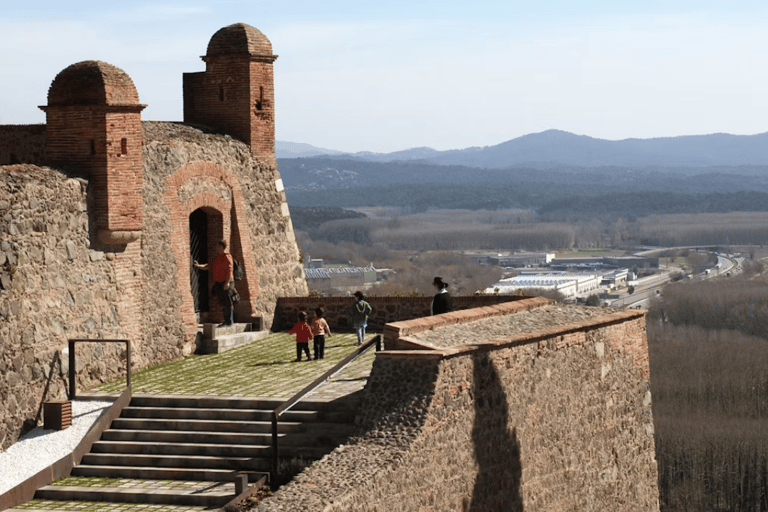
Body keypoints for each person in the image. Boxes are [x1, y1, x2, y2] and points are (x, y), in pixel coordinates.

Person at [194, 240, 236, 326]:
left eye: (218, 246)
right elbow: (208, 266)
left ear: (221, 247)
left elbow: (229, 270)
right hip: (219, 283)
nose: (216, 248)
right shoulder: (217, 258)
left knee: (228, 302)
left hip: (226, 283)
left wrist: (227, 283)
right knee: (223, 302)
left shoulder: (227, 257)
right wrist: (198, 266)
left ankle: (229, 322)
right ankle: (226, 321)